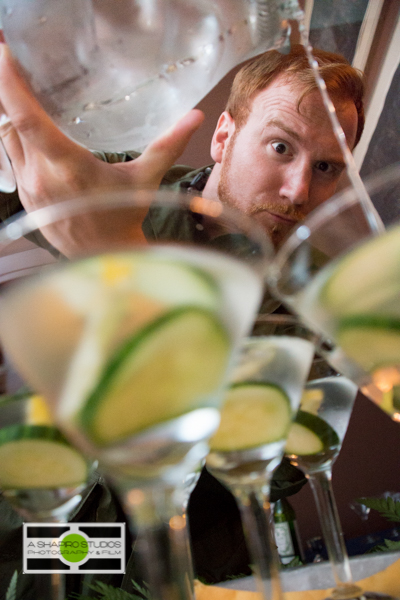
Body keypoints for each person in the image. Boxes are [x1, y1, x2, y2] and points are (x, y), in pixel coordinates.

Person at [0, 41, 364, 595]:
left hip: (181, 566)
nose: (298, 190)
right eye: (279, 146)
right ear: (224, 137)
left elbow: (285, 459)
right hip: (39, 524)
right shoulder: (119, 189)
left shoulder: (327, 290)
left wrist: (122, 259)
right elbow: (26, 188)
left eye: (325, 166)